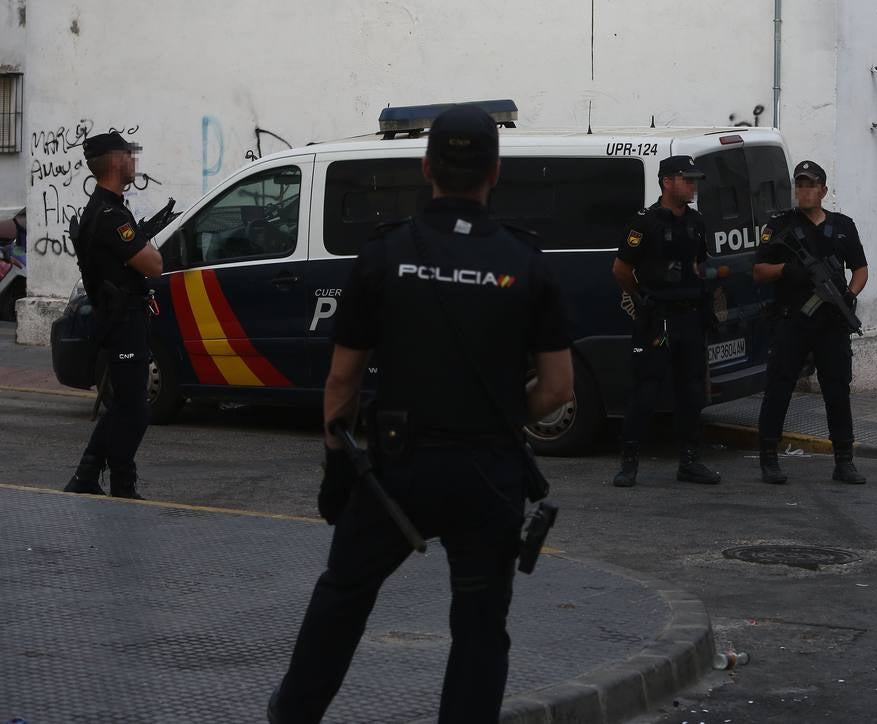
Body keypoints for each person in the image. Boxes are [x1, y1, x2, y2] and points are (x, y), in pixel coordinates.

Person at [269, 105, 575, 724]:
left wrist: (337, 468)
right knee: (480, 627)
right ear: (494, 171)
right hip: (489, 472)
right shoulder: (527, 261)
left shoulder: (385, 255)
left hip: (397, 470)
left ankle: (293, 715)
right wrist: (503, 418)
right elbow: (559, 388)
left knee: (343, 597)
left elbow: (341, 382)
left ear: (426, 166)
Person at [753, 160, 869, 485]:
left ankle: (844, 460)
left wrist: (849, 294)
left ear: (823, 191)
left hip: (831, 323)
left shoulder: (843, 225)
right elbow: (759, 271)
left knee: (836, 389)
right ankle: (769, 458)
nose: (804, 190)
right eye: (800, 184)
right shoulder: (779, 227)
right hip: (793, 322)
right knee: (779, 387)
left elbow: (860, 268)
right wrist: (785, 271)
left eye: (810, 185)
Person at [63, 132, 162, 500]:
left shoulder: (108, 210)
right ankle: (119, 482)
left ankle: (90, 476)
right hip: (121, 323)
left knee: (125, 405)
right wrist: (143, 240)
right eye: (129, 155)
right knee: (134, 410)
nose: (134, 161)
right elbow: (153, 265)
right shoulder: (109, 216)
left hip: (121, 319)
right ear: (117, 161)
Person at [610, 155, 720, 487]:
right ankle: (629, 462)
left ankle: (689, 461)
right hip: (658, 320)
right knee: (646, 390)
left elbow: (702, 264)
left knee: (691, 392)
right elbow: (621, 270)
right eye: (687, 180)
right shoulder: (643, 223)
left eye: (695, 180)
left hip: (689, 317)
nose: (693, 185)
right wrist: (642, 300)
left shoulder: (697, 222)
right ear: (667, 182)